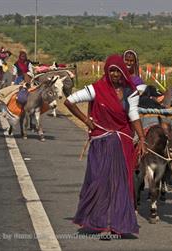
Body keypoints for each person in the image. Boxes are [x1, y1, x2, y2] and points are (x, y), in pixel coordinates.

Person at [64, 54, 147, 238]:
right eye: (112, 71)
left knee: (119, 184)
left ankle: (115, 224)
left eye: (118, 71)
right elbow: (69, 101)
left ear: (124, 71)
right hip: (101, 142)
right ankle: (97, 221)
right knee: (100, 181)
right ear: (107, 71)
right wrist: (86, 120)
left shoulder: (130, 92)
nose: (115, 74)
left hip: (121, 142)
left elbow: (133, 115)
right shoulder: (96, 88)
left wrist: (142, 138)